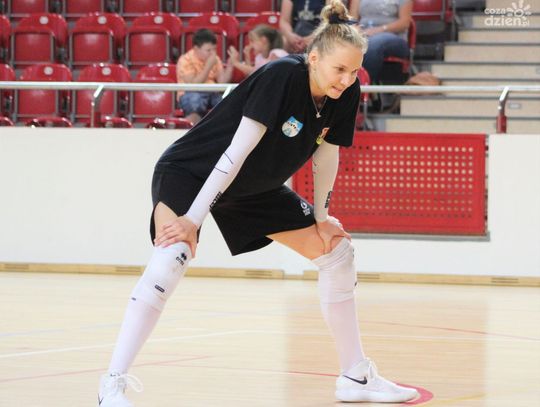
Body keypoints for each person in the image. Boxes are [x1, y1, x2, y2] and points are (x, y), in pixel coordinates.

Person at [97, 1, 419, 405]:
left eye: (354, 71)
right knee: (172, 254)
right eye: (340, 69)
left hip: (252, 189)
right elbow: (235, 152)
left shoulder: (346, 91)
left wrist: (322, 217)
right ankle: (112, 383)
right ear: (313, 58)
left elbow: (326, 155)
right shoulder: (280, 76)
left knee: (338, 253)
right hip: (193, 171)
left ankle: (356, 376)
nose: (347, 78)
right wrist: (192, 219)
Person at [176, 28, 235, 124]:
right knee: (194, 101)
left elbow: (222, 82)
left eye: (214, 49)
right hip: (191, 93)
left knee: (227, 103)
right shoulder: (185, 60)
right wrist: (208, 66)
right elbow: (194, 84)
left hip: (212, 92)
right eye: (208, 50)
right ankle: (194, 130)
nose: (212, 53)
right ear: (196, 49)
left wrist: (230, 65)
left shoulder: (215, 59)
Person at [349, 0, 413, 83]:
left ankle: (362, 85)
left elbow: (404, 23)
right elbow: (352, 21)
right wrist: (356, 30)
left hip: (394, 36)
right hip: (364, 34)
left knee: (372, 45)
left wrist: (379, 30)